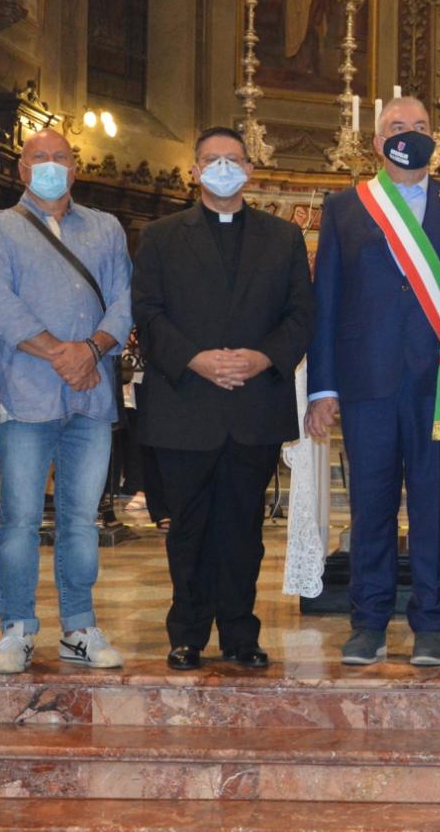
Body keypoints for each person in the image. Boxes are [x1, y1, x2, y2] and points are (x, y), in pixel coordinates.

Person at [305, 97, 440, 667]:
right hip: (367, 384)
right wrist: (323, 388)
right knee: (371, 507)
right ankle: (368, 622)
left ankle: (432, 624)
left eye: (417, 127)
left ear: (434, 137)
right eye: (396, 127)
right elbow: (326, 302)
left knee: (435, 507)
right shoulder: (345, 207)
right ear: (376, 143)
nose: (407, 134)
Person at [131, 127, 314, 671]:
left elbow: (301, 314)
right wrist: (195, 359)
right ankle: (186, 632)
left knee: (243, 530)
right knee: (187, 530)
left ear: (250, 170)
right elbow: (148, 311)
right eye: (212, 160)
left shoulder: (282, 238)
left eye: (233, 159)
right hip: (185, 401)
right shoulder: (161, 235)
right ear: (194, 171)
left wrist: (261, 358)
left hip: (253, 405)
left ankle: (240, 633)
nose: (223, 168)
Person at [0, 127, 133, 675]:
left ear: (75, 167)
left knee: (81, 521)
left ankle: (79, 627)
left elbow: (123, 303)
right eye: (38, 157)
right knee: (17, 519)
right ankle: (15, 628)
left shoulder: (105, 229)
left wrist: (91, 350)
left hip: (91, 396)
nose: (50, 165)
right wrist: (62, 355)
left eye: (60, 157)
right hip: (26, 393)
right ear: (20, 170)